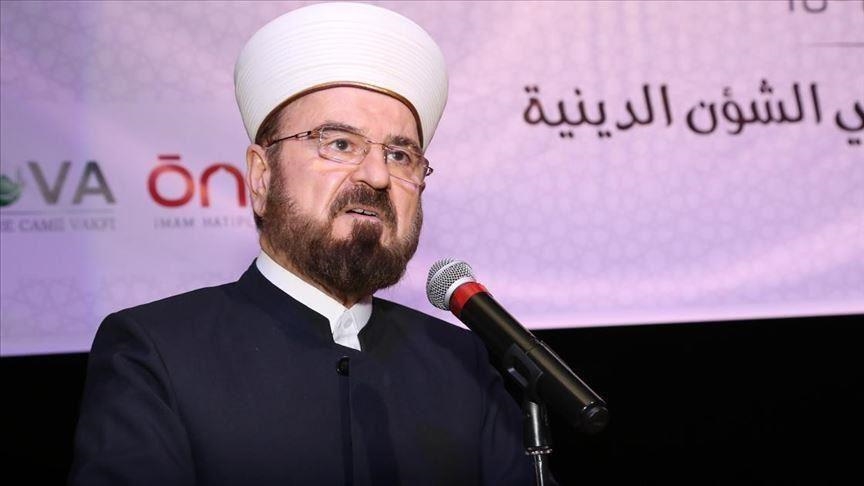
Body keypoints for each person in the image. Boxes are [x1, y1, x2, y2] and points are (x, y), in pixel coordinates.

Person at [69, 3, 531, 485]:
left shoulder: (459, 362)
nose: (377, 175)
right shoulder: (156, 353)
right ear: (261, 176)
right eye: (340, 144)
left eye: (399, 155)